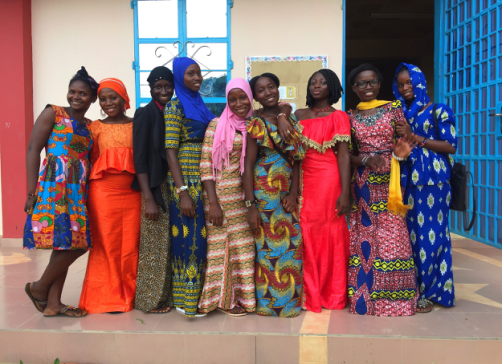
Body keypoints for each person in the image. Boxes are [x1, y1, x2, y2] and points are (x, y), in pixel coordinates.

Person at [23, 67, 98, 317]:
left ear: (92, 98)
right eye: (72, 92)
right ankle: (40, 288)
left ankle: (52, 303)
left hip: (77, 192)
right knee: (74, 245)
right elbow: (34, 150)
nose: (76, 97)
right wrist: (31, 193)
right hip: (54, 188)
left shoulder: (89, 126)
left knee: (69, 244)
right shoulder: (52, 113)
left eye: (83, 94)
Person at [347, 63, 418, 316]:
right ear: (354, 88)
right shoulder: (350, 116)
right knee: (366, 237)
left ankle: (396, 303)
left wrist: (402, 149)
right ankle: (364, 302)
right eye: (362, 83)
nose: (368, 87)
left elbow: (406, 140)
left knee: (394, 237)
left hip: (391, 180)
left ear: (379, 84)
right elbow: (348, 155)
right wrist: (366, 160)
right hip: (364, 183)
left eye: (373, 82)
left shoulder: (394, 108)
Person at [393, 63, 457, 313]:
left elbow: (451, 146)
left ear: (419, 81)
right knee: (410, 238)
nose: (405, 87)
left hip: (433, 183)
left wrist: (417, 137)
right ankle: (414, 287)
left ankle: (432, 291)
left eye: (409, 82)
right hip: (406, 182)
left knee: (433, 237)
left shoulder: (438, 110)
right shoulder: (398, 112)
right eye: (400, 84)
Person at [243, 73, 304, 318]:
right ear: (255, 96)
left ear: (278, 89)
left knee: (292, 246)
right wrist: (250, 206)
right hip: (264, 196)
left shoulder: (290, 120)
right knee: (265, 251)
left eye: (271, 87)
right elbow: (248, 165)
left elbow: (297, 160)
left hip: (287, 197)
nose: (268, 92)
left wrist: (293, 193)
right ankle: (267, 306)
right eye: (261, 90)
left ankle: (289, 305)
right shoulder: (255, 124)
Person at [78, 78, 140, 313]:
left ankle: (128, 296)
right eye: (103, 99)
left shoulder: (137, 124)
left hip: (133, 194)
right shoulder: (95, 127)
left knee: (130, 244)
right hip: (102, 193)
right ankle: (104, 297)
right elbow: (90, 159)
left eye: (113, 97)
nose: (107, 103)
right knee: (106, 245)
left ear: (124, 99)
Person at [198, 78, 256, 316]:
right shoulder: (216, 125)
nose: (238, 103)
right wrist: (213, 203)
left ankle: (244, 299)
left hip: (244, 197)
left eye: (243, 97)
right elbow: (205, 167)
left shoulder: (254, 124)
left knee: (244, 249)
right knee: (220, 250)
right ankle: (220, 301)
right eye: (232, 99)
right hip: (220, 196)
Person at [294, 69, 351, 312]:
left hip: (329, 180)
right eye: (313, 82)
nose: (316, 86)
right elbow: (295, 157)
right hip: (304, 178)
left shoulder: (338, 117)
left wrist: (346, 192)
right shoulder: (298, 114)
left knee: (330, 230)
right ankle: (309, 294)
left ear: (332, 87)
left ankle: (332, 292)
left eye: (323, 82)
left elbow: (344, 157)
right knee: (305, 230)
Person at [165, 57, 215, 318]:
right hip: (187, 180)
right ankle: (186, 300)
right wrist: (182, 190)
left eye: (199, 73)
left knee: (203, 239)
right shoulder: (175, 107)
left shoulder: (199, 104)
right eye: (191, 74)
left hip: (205, 176)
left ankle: (202, 294)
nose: (197, 78)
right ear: (179, 78)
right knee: (191, 238)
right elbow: (171, 151)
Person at [132, 66, 175, 313]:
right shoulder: (145, 114)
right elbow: (139, 158)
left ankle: (166, 297)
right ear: (150, 88)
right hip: (153, 188)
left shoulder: (172, 112)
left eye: (168, 86)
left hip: (172, 186)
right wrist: (148, 197)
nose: (164, 91)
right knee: (154, 247)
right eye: (158, 87)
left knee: (168, 244)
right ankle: (149, 300)